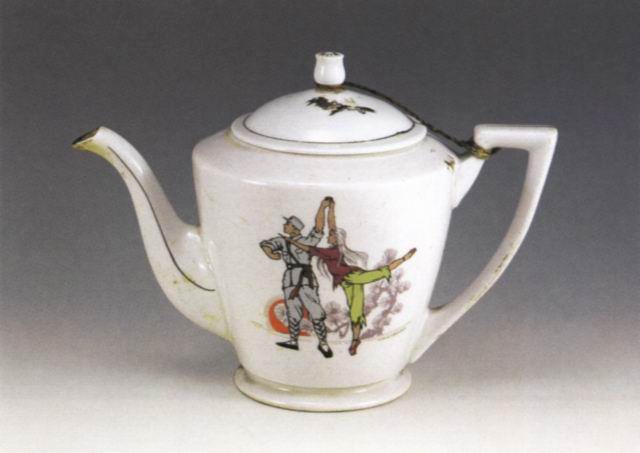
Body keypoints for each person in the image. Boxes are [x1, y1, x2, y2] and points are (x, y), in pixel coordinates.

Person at [286, 199, 416, 355]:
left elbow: (309, 248)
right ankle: (356, 339)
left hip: (354, 277)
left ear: (336, 238)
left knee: (379, 274)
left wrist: (292, 241)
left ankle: (404, 259)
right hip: (346, 282)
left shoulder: (330, 252)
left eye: (331, 235)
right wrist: (331, 208)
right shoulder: (332, 250)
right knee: (355, 310)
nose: (328, 235)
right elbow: (332, 224)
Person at [259, 197, 334, 358]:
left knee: (315, 311)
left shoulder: (307, 241)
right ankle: (293, 340)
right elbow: (265, 244)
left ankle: (323, 343)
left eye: (287, 224)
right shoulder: (282, 241)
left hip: (306, 279)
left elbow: (319, 226)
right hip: (290, 279)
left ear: (294, 228)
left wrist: (322, 207)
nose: (284, 225)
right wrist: (272, 254)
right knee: (292, 311)